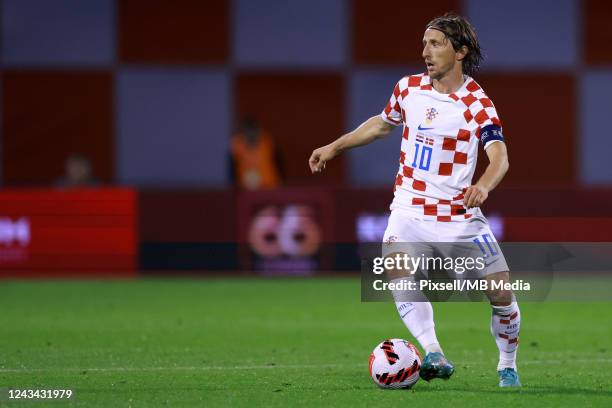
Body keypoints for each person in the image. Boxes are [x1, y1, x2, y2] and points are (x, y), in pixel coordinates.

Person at [308, 13, 520, 387]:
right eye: (424, 43)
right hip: (408, 208)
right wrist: (334, 146)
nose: (425, 51)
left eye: (436, 43)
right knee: (397, 268)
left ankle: (507, 362)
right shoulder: (408, 89)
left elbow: (499, 157)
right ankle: (433, 350)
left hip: (459, 217)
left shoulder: (476, 103)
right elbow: (380, 124)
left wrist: (483, 186)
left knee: (501, 292)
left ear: (460, 52)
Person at [230, 118, 282, 189]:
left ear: (259, 131)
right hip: (245, 188)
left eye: (254, 131)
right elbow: (232, 166)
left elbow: (279, 162)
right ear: (242, 133)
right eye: (248, 131)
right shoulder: (238, 144)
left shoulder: (267, 143)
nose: (251, 134)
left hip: (269, 185)